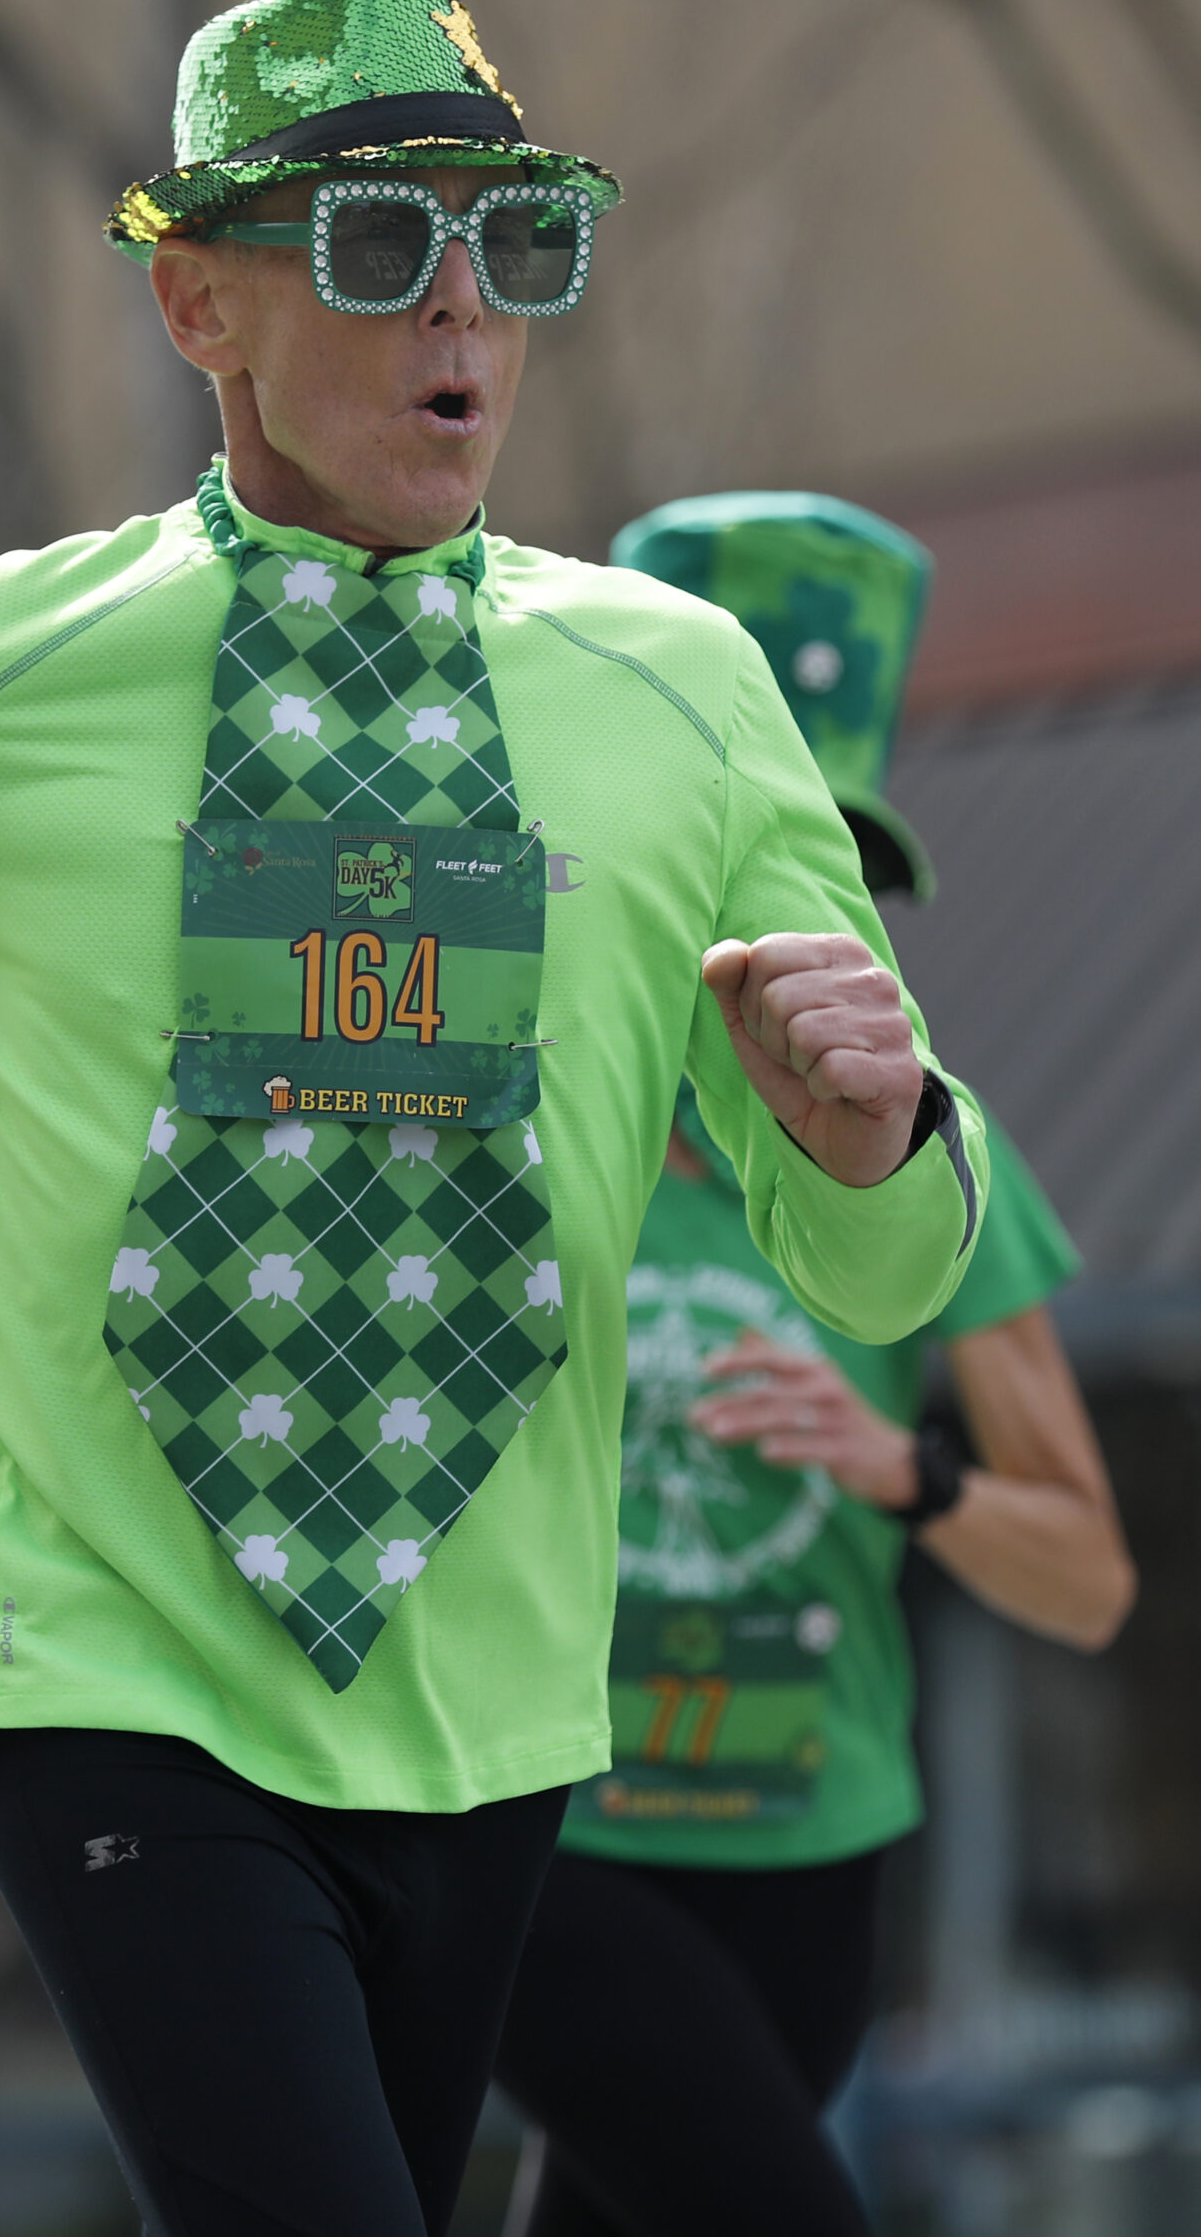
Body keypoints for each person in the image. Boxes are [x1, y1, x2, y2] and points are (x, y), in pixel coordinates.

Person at [0, 0, 990, 2237]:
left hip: (495, 1693)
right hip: (102, 1645)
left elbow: (883, 1255)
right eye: (371, 242)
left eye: (512, 244)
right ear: (193, 301)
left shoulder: (686, 694)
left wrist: (871, 1140)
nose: (458, 307)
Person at [495, 493, 1135, 2237]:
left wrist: (897, 1466)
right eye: (753, 871)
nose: (799, 940)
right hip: (550, 1839)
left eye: (840, 884)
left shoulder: (937, 1171)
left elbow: (1086, 1584)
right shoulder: (536, 1129)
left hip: (812, 1860)